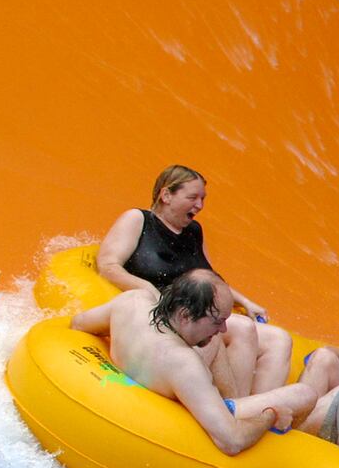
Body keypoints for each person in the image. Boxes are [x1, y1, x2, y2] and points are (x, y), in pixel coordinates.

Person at [71, 270, 323, 456]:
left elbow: (78, 324)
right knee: (304, 394)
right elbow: (231, 441)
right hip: (191, 408)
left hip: (156, 377)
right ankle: (272, 443)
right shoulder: (183, 362)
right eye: (216, 321)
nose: (223, 327)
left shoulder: (132, 302)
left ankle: (240, 399)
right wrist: (270, 415)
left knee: (211, 342)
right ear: (184, 314)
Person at [95, 164, 292, 396]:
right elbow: (107, 266)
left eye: (202, 198)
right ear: (166, 195)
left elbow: (211, 280)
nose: (199, 205)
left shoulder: (194, 231)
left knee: (279, 338)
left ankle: (262, 407)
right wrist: (147, 289)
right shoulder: (138, 220)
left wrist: (246, 302)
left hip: (198, 314)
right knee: (244, 329)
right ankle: (236, 405)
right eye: (192, 197)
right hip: (167, 314)